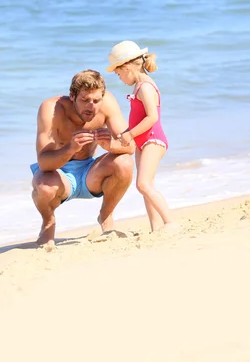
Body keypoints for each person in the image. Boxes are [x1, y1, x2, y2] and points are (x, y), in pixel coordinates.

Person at [30, 69, 135, 250]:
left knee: (124, 163)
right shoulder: (51, 108)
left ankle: (106, 215)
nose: (91, 106)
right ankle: (48, 224)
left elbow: (130, 146)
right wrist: (70, 148)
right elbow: (44, 163)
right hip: (58, 172)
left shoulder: (108, 103)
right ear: (72, 96)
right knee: (43, 186)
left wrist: (110, 145)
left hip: (90, 172)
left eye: (96, 100)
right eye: (85, 100)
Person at [106, 40, 177, 232]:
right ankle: (156, 227)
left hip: (153, 140)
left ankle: (170, 222)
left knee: (143, 184)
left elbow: (152, 117)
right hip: (143, 141)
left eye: (119, 74)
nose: (119, 78)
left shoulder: (145, 87)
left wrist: (130, 134)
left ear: (127, 67)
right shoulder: (138, 86)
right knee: (146, 187)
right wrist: (126, 134)